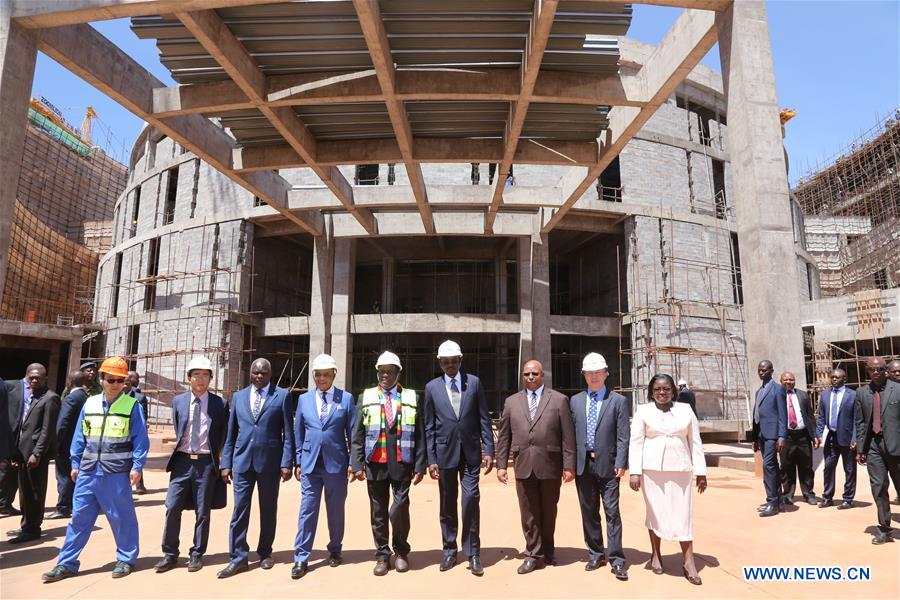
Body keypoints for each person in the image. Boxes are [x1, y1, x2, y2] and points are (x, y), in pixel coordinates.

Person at [41, 356, 149, 582]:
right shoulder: (89, 404)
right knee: (79, 518)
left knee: (122, 518)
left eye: (120, 380)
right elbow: (80, 437)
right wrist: (75, 462)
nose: (116, 384)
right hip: (88, 472)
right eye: (111, 379)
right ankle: (66, 563)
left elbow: (140, 440)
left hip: (116, 473)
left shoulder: (132, 406)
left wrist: (137, 466)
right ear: (101, 379)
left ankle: (126, 559)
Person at [495, 359, 576, 575]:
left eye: (534, 374)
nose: (530, 377)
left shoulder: (559, 400)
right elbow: (504, 437)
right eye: (526, 374)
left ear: (543, 375)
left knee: (549, 511)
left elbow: (568, 436)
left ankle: (548, 550)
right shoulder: (511, 402)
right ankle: (533, 554)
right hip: (523, 464)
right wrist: (501, 465)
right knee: (528, 513)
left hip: (550, 464)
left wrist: (569, 465)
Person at [351, 351, 426, 576]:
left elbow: (420, 434)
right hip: (376, 462)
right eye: (382, 371)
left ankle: (401, 552)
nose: (385, 375)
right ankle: (383, 555)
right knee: (378, 511)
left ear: (397, 373)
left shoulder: (412, 397)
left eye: (390, 371)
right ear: (377, 372)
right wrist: (357, 464)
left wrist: (421, 464)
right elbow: (358, 433)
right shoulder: (366, 396)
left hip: (403, 462)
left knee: (400, 507)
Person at [218, 358, 295, 578]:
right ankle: (238, 557)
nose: (259, 376)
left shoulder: (281, 396)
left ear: (271, 374)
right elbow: (231, 434)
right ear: (250, 373)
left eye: (263, 373)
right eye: (255, 373)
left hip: (270, 463)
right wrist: (226, 463)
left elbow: (288, 434)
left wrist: (286, 462)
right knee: (239, 510)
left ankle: (265, 552)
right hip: (242, 463)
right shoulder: (239, 397)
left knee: (268, 509)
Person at [423, 340, 494, 576]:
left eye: (454, 361)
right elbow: (429, 426)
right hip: (444, 453)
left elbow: (484, 418)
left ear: (460, 361)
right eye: (446, 362)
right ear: (440, 363)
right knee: (447, 503)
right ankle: (449, 550)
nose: (450, 365)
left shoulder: (473, 383)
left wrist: (489, 450)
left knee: (470, 499)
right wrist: (431, 458)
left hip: (471, 452)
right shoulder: (432, 388)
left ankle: (473, 552)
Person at [629, 374, 707, 585]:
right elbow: (635, 443)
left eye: (666, 389)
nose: (661, 393)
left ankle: (689, 561)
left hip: (680, 470)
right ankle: (655, 554)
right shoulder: (643, 411)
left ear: (673, 391)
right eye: (657, 389)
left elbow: (695, 441)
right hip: (652, 471)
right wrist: (634, 471)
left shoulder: (685, 410)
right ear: (651, 392)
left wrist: (701, 471)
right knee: (656, 512)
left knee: (683, 514)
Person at [155, 356, 229, 574]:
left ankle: (197, 553)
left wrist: (224, 463)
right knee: (172, 506)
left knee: (203, 511)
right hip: (182, 462)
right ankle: (170, 553)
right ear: (188, 378)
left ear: (210, 378)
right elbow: (179, 430)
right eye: (196, 374)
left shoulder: (220, 404)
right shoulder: (178, 402)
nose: (200, 379)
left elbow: (223, 435)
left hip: (206, 464)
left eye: (205, 375)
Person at [291, 354, 356, 580]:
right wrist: (298, 460)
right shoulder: (304, 400)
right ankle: (301, 556)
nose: (321, 378)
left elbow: (353, 433)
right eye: (317, 375)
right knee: (307, 510)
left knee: (335, 509)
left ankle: (335, 549)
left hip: (336, 464)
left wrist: (352, 462)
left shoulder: (345, 399)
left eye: (326, 374)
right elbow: (298, 432)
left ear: (334, 375)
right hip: (310, 464)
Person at [570, 353, 629, 581]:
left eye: (598, 372)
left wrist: (622, 462)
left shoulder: (618, 401)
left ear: (605, 374)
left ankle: (616, 559)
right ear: (584, 375)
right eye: (589, 373)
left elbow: (623, 435)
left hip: (609, 465)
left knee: (612, 512)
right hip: (583, 465)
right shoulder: (574, 401)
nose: (594, 377)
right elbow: (570, 436)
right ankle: (595, 553)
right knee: (589, 511)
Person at [7, 363, 60, 543]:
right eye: (32, 377)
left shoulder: (50, 398)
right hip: (23, 452)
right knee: (24, 491)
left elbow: (47, 430)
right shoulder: (30, 396)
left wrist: (37, 453)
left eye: (39, 377)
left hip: (36, 455)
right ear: (27, 377)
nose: (35, 379)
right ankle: (27, 525)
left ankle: (32, 528)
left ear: (45, 378)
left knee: (34, 491)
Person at [855, 357, 900, 544]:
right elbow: (860, 422)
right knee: (879, 488)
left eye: (880, 369)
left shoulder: (897, 389)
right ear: (867, 371)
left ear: (886, 371)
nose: (876, 373)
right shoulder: (861, 393)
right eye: (872, 369)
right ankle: (884, 529)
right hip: (873, 446)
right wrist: (860, 448)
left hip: (896, 447)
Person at [49, 371, 90, 519]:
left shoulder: (71, 398)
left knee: (64, 476)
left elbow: (62, 424)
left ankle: (63, 507)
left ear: (70, 381)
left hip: (67, 445)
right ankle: (72, 504)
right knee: (75, 475)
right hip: (83, 445)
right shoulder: (87, 398)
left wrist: (55, 445)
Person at [815, 368, 857, 509]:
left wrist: (855, 438)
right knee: (828, 467)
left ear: (844, 379)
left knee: (849, 469)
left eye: (837, 377)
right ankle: (827, 497)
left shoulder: (852, 395)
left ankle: (848, 499)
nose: (833, 379)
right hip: (831, 437)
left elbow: (857, 419)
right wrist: (818, 434)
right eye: (832, 377)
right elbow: (821, 416)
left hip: (847, 438)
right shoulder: (825, 395)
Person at [752, 360, 786, 517]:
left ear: (772, 371)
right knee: (773, 468)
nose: (761, 373)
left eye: (764, 370)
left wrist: (782, 436)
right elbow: (756, 416)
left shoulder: (778, 389)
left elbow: (782, 414)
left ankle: (772, 502)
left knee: (768, 467)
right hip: (762, 435)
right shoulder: (759, 391)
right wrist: (754, 438)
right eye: (759, 370)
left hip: (773, 435)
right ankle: (778, 500)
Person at [779, 372, 816, 506]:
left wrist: (814, 436)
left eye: (791, 379)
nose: (788, 381)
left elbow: (810, 416)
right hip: (786, 436)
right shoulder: (778, 396)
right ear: (781, 381)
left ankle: (808, 494)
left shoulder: (803, 395)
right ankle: (788, 494)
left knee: (806, 466)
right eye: (785, 379)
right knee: (786, 466)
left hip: (803, 436)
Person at [0, 375, 27, 517]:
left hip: (17, 439)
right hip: (6, 436)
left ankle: (5, 503)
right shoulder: (7, 385)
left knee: (11, 473)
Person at [124, 371, 148, 494]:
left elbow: (143, 417)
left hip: (135, 434)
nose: (125, 385)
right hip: (121, 435)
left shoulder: (140, 398)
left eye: (128, 383)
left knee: (137, 459)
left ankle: (139, 485)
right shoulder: (116, 396)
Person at [885, 359, 900, 503]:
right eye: (894, 371)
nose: (898, 373)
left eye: (899, 371)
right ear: (887, 373)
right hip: (893, 442)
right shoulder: (884, 392)